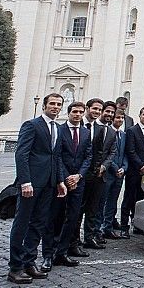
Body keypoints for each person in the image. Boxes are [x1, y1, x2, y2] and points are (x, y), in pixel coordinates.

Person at [7, 93, 67, 284]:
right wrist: (25, 181)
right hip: (31, 183)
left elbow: (56, 157)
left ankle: (29, 261)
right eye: (52, 104)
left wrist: (60, 181)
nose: (55, 107)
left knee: (39, 223)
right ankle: (15, 267)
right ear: (44, 106)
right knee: (22, 223)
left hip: (49, 184)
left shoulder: (57, 128)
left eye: (58, 104)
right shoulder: (32, 125)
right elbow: (21, 154)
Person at [42, 101, 91, 271]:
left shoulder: (85, 132)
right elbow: (56, 156)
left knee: (73, 217)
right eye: (74, 111)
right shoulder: (59, 130)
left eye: (80, 112)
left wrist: (78, 176)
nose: (77, 115)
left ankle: (62, 252)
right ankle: (48, 254)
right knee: (54, 218)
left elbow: (88, 156)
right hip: (60, 182)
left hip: (78, 182)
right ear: (69, 112)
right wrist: (65, 177)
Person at [80, 99, 117, 250]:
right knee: (77, 209)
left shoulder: (106, 131)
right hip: (82, 174)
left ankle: (89, 237)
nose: (109, 114)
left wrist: (103, 166)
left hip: (98, 174)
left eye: (112, 112)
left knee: (93, 208)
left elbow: (109, 152)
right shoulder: (82, 125)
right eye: (106, 111)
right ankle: (73, 239)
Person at [120, 106, 144, 237]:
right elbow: (130, 150)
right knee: (129, 198)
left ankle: (138, 225)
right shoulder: (132, 130)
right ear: (140, 116)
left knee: (141, 199)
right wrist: (141, 165)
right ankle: (124, 227)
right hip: (134, 171)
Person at [101, 110, 127, 240]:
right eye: (117, 117)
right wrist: (116, 168)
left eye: (122, 118)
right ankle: (100, 228)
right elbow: (107, 154)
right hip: (109, 173)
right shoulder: (108, 132)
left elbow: (126, 153)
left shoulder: (123, 134)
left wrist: (124, 168)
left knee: (113, 202)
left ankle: (108, 227)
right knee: (103, 201)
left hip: (120, 174)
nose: (120, 120)